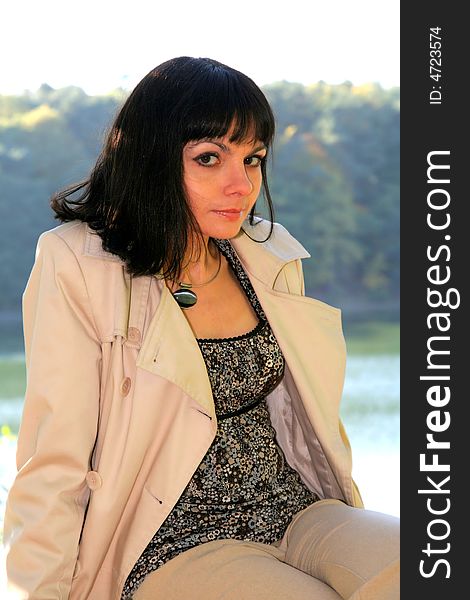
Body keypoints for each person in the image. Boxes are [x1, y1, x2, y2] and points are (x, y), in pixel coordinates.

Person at [2, 57, 399, 599]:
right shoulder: (80, 264)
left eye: (253, 159)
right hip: (171, 539)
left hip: (296, 509)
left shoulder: (267, 256)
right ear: (153, 159)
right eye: (210, 158)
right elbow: (56, 455)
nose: (241, 184)